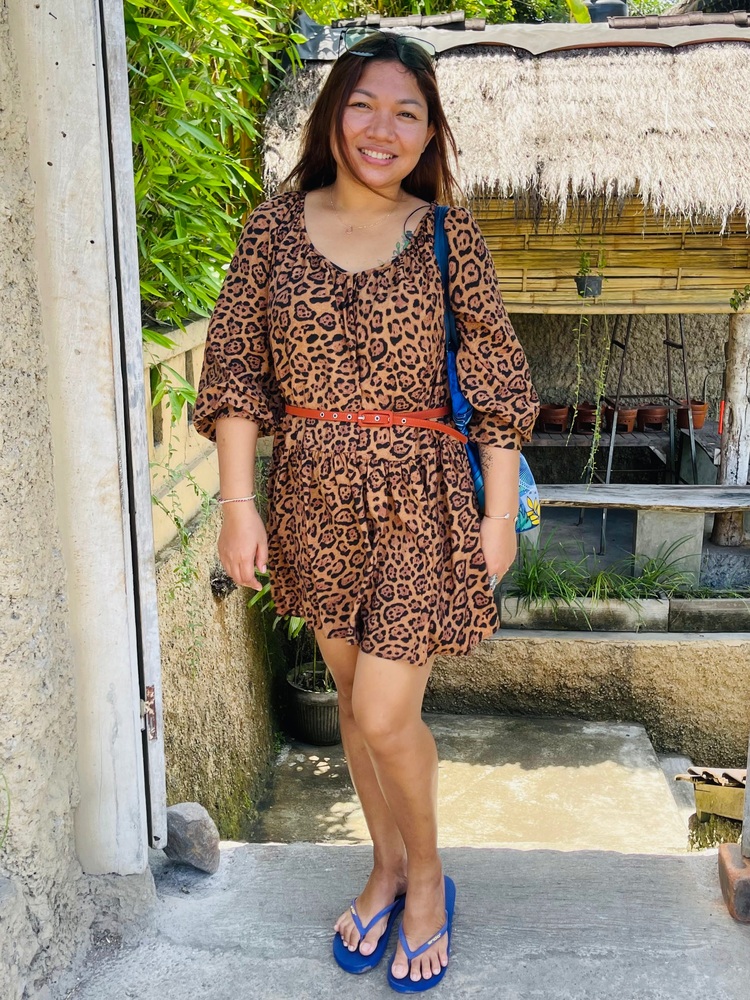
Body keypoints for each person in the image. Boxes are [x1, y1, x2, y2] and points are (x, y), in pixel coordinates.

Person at [194, 29, 538, 992]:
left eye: (406, 112)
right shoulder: (272, 230)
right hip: (311, 496)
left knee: (387, 712)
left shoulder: (447, 236)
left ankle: (426, 878)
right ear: (332, 114)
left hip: (423, 498)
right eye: (363, 104)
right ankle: (384, 865)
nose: (382, 129)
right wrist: (237, 504)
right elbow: (235, 372)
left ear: (429, 134)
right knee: (351, 704)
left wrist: (498, 518)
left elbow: (498, 385)